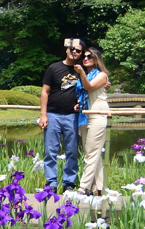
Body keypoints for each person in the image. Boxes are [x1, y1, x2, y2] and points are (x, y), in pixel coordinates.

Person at [39, 40, 84, 191]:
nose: (74, 51)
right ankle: (51, 183)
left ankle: (69, 183)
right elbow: (45, 92)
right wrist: (43, 115)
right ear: (66, 49)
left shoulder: (82, 70)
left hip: (72, 116)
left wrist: (105, 84)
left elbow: (91, 86)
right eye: (72, 48)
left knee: (72, 151)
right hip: (53, 115)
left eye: (78, 50)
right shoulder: (54, 68)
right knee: (50, 151)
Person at [75, 47, 110, 194]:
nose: (85, 58)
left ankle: (84, 186)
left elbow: (89, 87)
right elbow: (84, 93)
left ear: (96, 59)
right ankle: (99, 188)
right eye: (84, 56)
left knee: (91, 153)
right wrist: (79, 104)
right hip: (85, 114)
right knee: (92, 152)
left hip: (98, 113)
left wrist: (81, 73)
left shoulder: (101, 75)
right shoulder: (87, 75)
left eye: (89, 56)